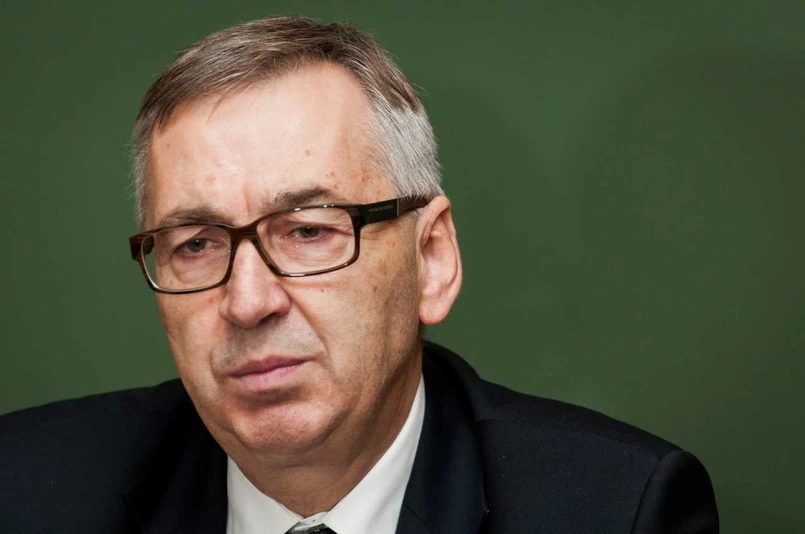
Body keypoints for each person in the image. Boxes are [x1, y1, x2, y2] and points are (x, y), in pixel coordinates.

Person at [0, 16, 718, 533]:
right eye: (197, 244)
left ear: (431, 259)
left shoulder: (616, 509)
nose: (247, 301)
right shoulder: (24, 492)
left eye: (309, 231)